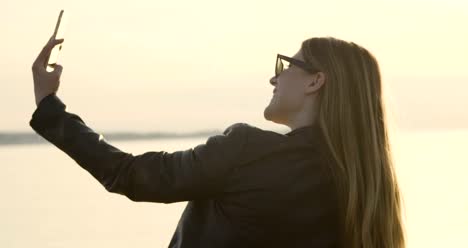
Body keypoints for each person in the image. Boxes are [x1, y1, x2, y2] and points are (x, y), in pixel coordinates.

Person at [30, 35, 406, 248]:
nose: (274, 80)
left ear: (315, 81)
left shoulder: (246, 152)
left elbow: (130, 174)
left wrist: (49, 107)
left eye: (286, 65)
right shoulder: (365, 186)